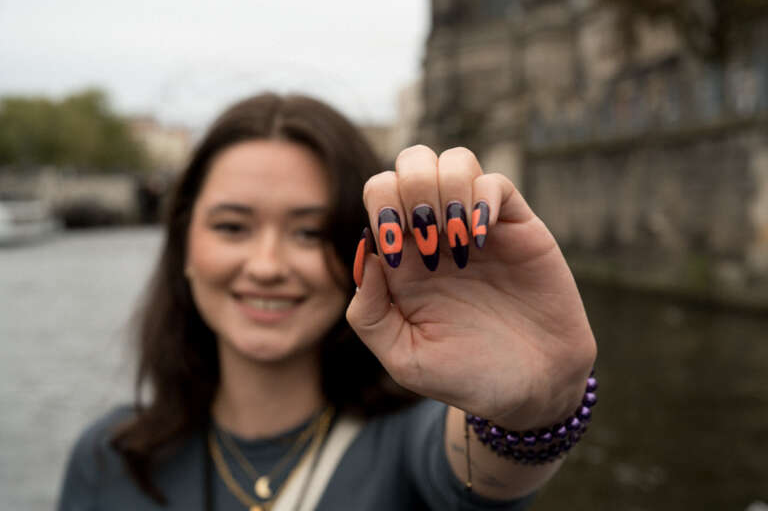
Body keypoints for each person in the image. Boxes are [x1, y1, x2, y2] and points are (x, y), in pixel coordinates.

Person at [57, 93, 597, 510]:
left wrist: (531, 410)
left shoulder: (411, 440)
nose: (266, 266)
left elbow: (483, 467)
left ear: (359, 252)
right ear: (184, 245)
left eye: (310, 233)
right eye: (232, 227)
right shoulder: (109, 458)